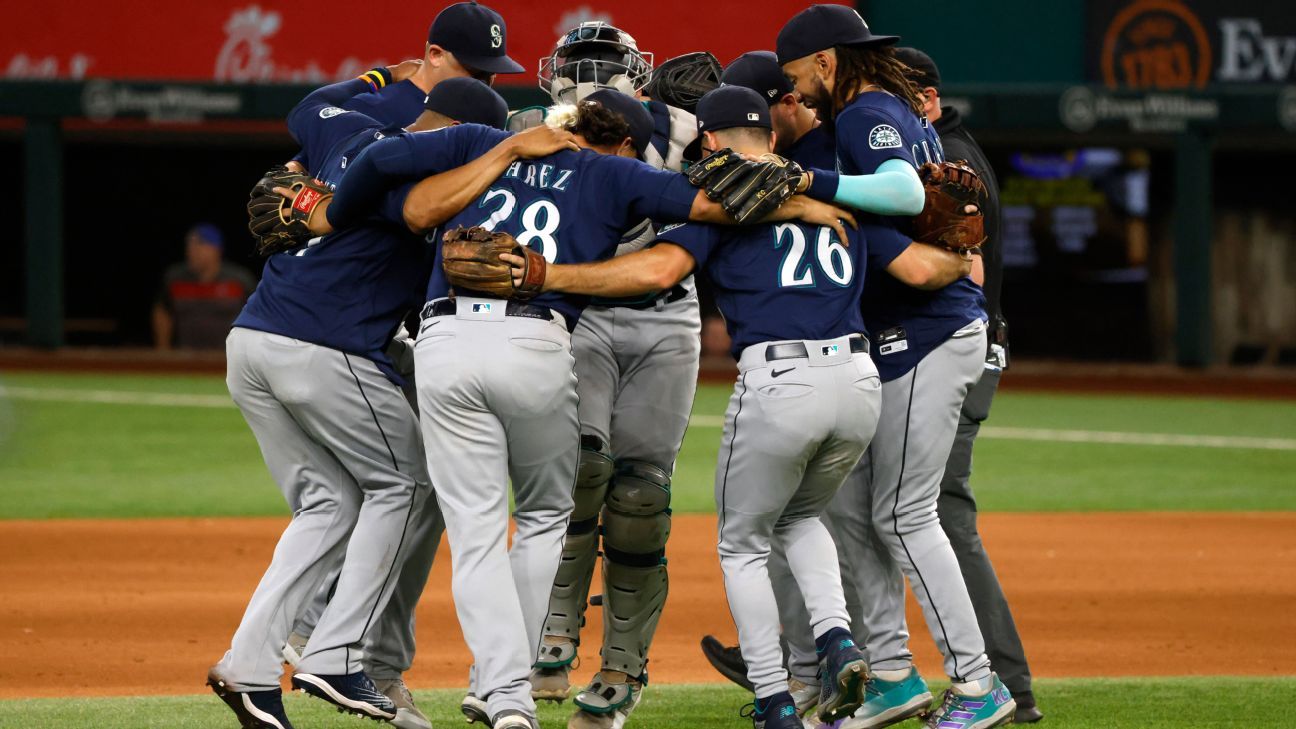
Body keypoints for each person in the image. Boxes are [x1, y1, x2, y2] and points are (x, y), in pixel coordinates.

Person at [316, 90, 852, 729]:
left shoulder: (477, 142)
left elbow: (378, 163)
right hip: (537, 338)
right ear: (627, 141)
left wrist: (332, 216)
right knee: (546, 513)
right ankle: (507, 689)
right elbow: (719, 205)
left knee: (477, 532)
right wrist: (808, 203)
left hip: (444, 338)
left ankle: (501, 690)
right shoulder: (616, 172)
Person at [501, 85, 973, 729]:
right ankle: (836, 640)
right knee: (801, 518)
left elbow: (657, 273)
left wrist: (547, 276)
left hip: (782, 383)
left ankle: (777, 699)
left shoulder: (722, 206)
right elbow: (921, 268)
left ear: (711, 144)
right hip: (859, 382)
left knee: (742, 546)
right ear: (772, 141)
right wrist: (967, 254)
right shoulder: (840, 197)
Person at [206, 65, 563, 729]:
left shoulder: (345, 132)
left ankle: (249, 665)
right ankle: (336, 651)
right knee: (410, 482)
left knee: (330, 503)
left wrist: (375, 75)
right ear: (459, 134)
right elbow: (423, 208)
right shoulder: (412, 171)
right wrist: (506, 149)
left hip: (253, 340)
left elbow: (312, 104)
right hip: (323, 348)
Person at [778, 7, 1016, 729]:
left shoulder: (869, 109)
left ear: (824, 61)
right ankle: (889, 672)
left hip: (930, 331)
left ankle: (979, 685)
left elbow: (906, 193)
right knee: (849, 507)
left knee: (904, 513)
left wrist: (811, 180)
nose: (792, 90)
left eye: (793, 75)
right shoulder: (872, 112)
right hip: (895, 333)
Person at [526, 22, 708, 729]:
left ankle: (621, 666)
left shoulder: (685, 125)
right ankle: (554, 628)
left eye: (605, 63)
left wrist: (734, 117)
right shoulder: (529, 128)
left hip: (666, 314)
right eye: (584, 63)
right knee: (581, 464)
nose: (595, 74)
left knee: (639, 496)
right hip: (583, 308)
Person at [890, 46, 1039, 725]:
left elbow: (969, 275)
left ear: (924, 95)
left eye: (896, 94)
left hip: (964, 353)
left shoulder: (951, 155)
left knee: (940, 514)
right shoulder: (942, 146)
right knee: (908, 508)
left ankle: (1004, 684)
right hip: (968, 352)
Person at [292, 0, 524, 172]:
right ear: (435, 55)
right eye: (475, 71)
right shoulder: (372, 107)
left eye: (492, 73)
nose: (486, 83)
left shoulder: (487, 112)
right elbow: (301, 169)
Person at [151, 224, 255, 350]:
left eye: (199, 244)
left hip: (227, 357)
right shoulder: (175, 279)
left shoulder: (239, 280)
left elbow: (257, 315)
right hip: (185, 358)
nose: (192, 250)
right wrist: (163, 349)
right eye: (189, 245)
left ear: (217, 249)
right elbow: (162, 311)